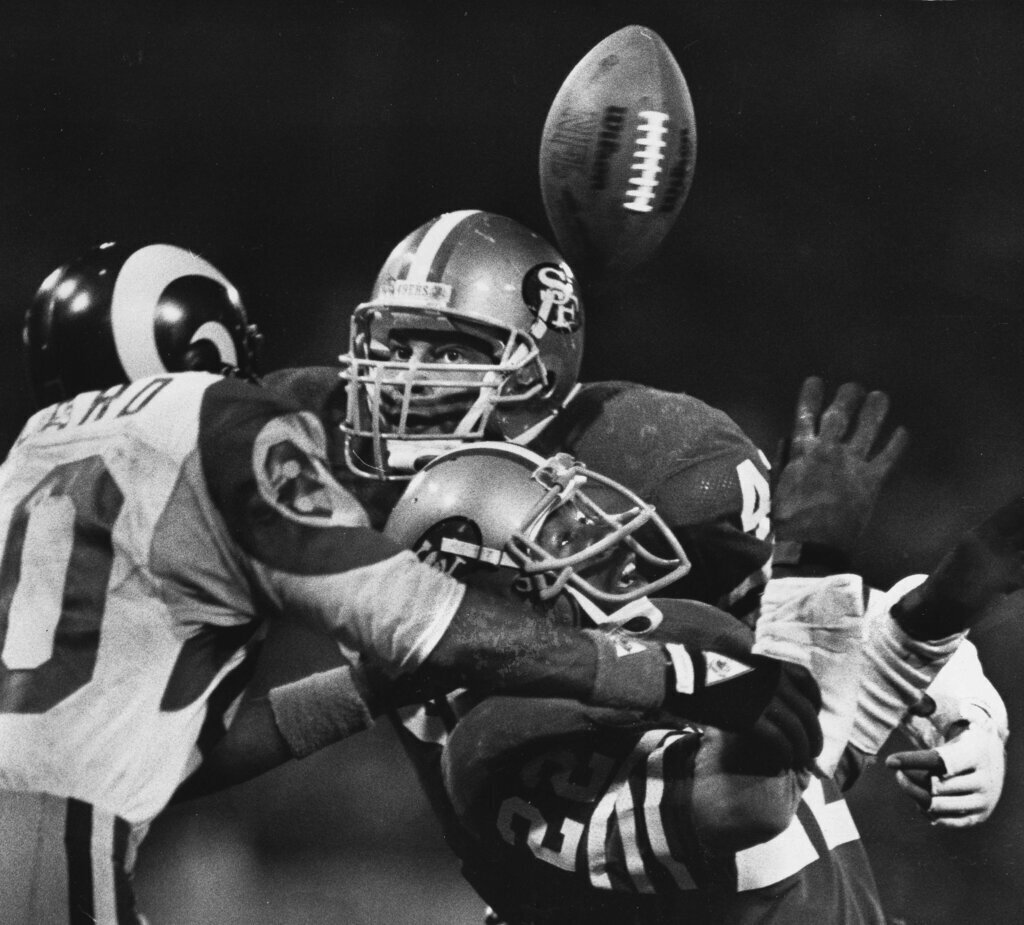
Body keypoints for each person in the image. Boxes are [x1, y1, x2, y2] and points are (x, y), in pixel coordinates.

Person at [0, 242, 821, 925]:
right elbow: (420, 619)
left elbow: (176, 755)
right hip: (47, 846)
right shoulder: (218, 424)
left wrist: (366, 689)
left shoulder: (28, 463)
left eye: (447, 350)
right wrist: (678, 670)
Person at [265, 208, 1006, 825]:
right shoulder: (330, 449)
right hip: (526, 855)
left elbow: (793, 649)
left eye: (447, 351)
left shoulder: (649, 458)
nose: (407, 381)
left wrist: (961, 701)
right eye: (398, 347)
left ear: (534, 361)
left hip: (668, 843)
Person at [377, 442, 1021, 925]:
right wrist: (807, 573)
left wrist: (947, 603)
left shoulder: (640, 653)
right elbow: (754, 799)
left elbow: (815, 756)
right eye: (558, 539)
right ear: (495, 594)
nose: (601, 546)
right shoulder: (503, 755)